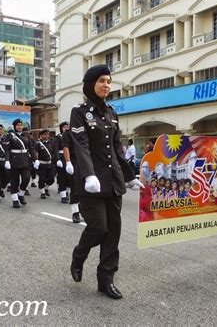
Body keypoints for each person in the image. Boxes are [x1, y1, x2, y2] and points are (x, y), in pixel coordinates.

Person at [69, 64, 142, 300]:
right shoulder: (79, 112)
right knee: (99, 228)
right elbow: (80, 145)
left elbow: (117, 149)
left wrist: (130, 176)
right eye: (102, 81)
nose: (106, 85)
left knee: (113, 233)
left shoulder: (112, 113)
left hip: (113, 183)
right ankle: (79, 254)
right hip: (91, 183)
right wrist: (88, 174)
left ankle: (106, 279)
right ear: (91, 84)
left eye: (109, 81)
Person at [3, 119, 39, 208]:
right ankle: (15, 199)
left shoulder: (26, 135)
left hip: (25, 161)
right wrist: (7, 160)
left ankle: (21, 194)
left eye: (21, 125)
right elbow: (7, 149)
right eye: (18, 125)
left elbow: (31, 148)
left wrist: (35, 159)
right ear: (15, 126)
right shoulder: (10, 136)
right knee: (15, 181)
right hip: (14, 161)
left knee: (26, 178)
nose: (20, 126)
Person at [62, 126, 81, 223]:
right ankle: (75, 212)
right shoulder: (68, 132)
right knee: (75, 186)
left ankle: (83, 209)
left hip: (86, 160)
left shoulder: (87, 128)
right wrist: (68, 162)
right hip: (74, 160)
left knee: (86, 188)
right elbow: (66, 147)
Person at [52, 121, 71, 203]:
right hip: (61, 158)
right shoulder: (58, 137)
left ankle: (67, 192)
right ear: (61, 128)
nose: (66, 128)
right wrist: (57, 160)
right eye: (64, 127)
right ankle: (63, 196)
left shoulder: (71, 136)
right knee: (62, 177)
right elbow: (55, 150)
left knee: (70, 177)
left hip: (70, 158)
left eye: (67, 127)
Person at [35, 129, 55, 200]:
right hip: (42, 164)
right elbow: (36, 153)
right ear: (41, 135)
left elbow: (53, 152)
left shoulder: (51, 142)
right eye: (45, 134)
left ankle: (46, 188)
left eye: (47, 134)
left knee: (52, 178)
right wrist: (36, 160)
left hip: (50, 164)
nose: (47, 136)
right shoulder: (38, 143)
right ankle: (42, 192)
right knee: (42, 178)